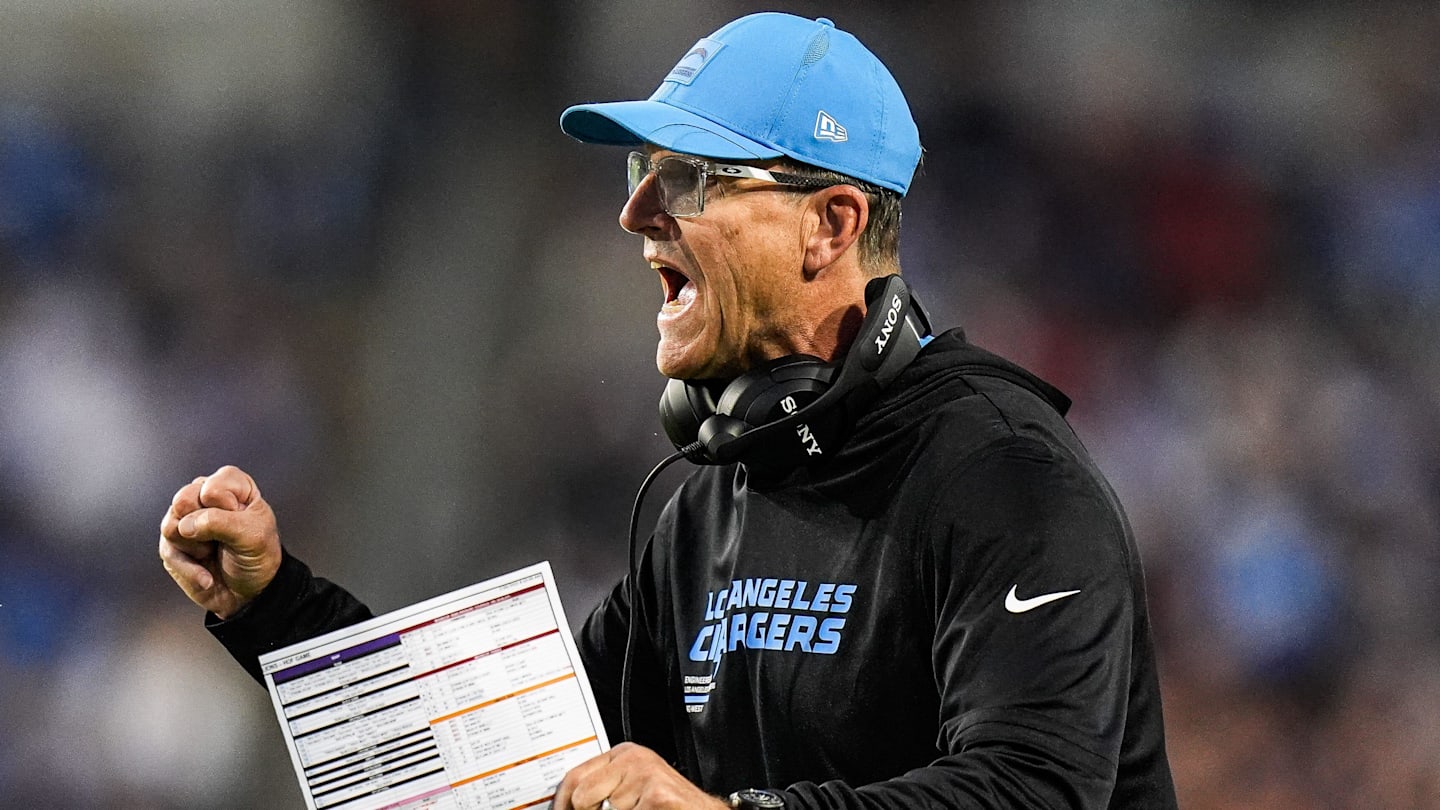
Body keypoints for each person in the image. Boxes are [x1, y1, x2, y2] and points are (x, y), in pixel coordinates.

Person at [159, 12, 1177, 810]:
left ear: (830, 226)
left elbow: (1035, 790)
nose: (636, 215)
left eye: (685, 177)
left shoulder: (1005, 476)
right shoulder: (703, 498)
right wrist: (272, 607)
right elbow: (510, 766)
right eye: (640, 172)